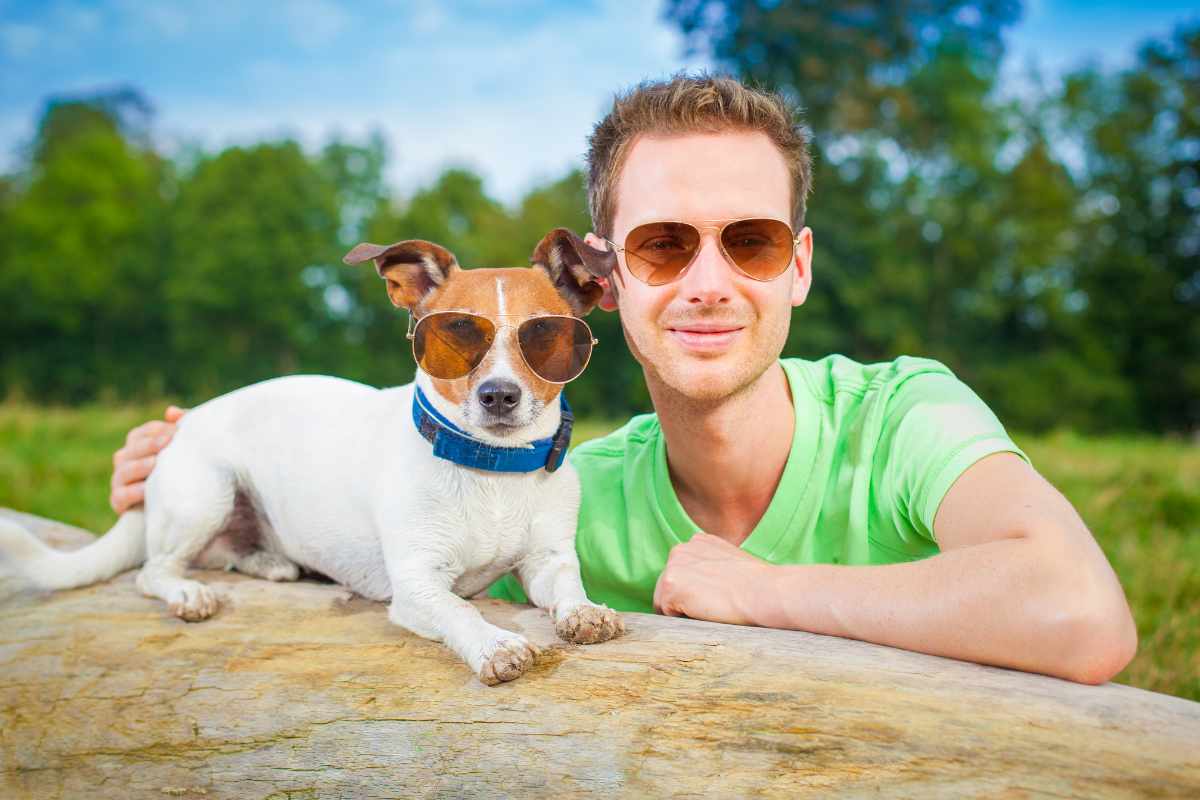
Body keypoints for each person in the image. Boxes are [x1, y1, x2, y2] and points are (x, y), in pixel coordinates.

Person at [110, 74, 1136, 685]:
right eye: (660, 246)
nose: (706, 282)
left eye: (751, 239)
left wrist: (767, 592)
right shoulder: (565, 497)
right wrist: (210, 475)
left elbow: (1087, 615)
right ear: (604, 275)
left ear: (802, 264)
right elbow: (394, 533)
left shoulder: (908, 411)